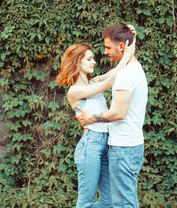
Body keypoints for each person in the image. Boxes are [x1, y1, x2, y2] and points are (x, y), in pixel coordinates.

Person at [56, 26, 136, 208]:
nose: (94, 62)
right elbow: (109, 82)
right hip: (90, 146)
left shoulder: (93, 82)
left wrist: (130, 43)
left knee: (108, 200)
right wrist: (128, 53)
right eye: (89, 59)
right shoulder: (74, 91)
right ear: (77, 62)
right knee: (85, 201)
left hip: (105, 145)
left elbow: (114, 74)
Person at [76, 23, 148, 208]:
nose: (105, 52)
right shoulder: (131, 70)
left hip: (123, 148)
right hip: (127, 146)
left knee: (123, 203)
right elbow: (106, 79)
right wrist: (132, 42)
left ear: (122, 46)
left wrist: (91, 118)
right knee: (121, 201)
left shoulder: (126, 75)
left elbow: (119, 112)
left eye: (108, 47)